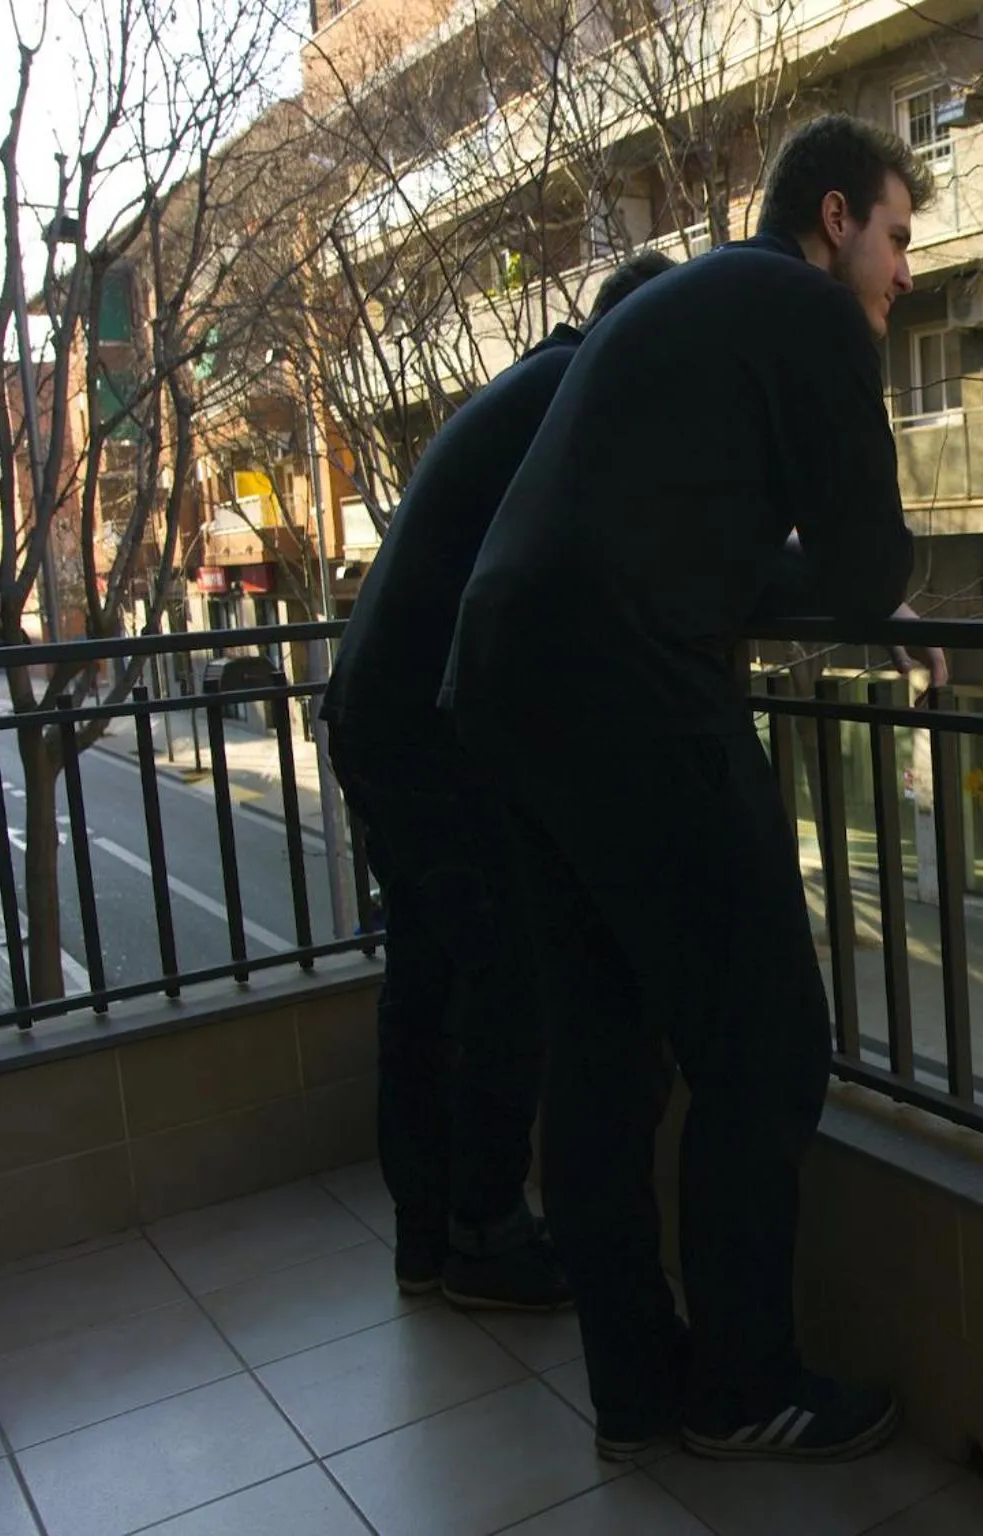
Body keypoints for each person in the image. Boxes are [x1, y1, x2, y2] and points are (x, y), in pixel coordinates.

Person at [444, 114, 936, 1464]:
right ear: (835, 217)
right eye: (899, 236)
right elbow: (858, 565)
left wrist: (813, 579)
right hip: (628, 684)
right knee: (766, 1040)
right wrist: (879, 590)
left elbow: (732, 560)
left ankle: (638, 1385)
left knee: (602, 1048)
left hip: (508, 670)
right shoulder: (806, 312)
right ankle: (746, 1379)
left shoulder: (696, 304)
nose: (904, 272)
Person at [321, 250, 676, 1310]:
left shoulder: (530, 387)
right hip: (428, 740)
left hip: (379, 715)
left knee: (427, 983)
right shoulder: (569, 405)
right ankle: (484, 1231)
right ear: (633, 338)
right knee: (507, 971)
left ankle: (427, 1237)